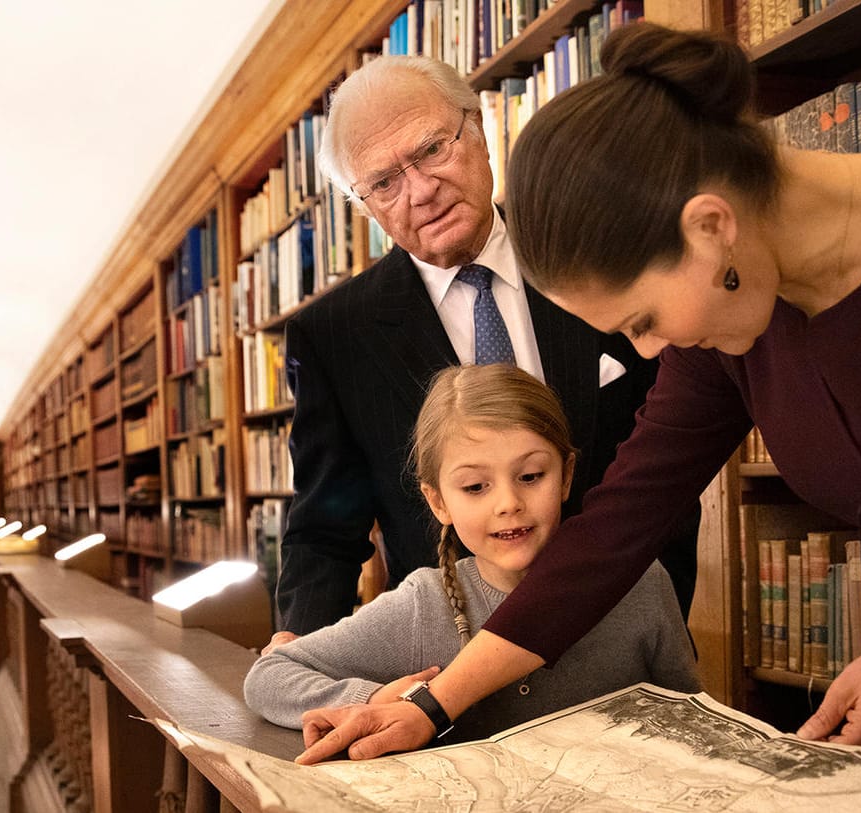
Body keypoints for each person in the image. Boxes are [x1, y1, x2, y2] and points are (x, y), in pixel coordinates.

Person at [295, 23, 861, 765]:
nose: (645, 352)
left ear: (709, 227)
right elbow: (612, 528)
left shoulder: (728, 306)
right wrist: (432, 702)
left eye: (640, 321)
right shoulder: (728, 325)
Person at [275, 54, 700, 643]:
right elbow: (326, 527)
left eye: (431, 151)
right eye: (384, 182)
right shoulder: (334, 336)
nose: (421, 191)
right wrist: (298, 648)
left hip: (620, 633)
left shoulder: (591, 250)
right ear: (363, 205)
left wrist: (655, 612)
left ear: (477, 128)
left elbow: (667, 474)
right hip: (448, 658)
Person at [245, 364, 699, 743]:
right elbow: (271, 674)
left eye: (531, 476)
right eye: (475, 486)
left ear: (566, 476)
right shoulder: (424, 604)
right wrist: (370, 700)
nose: (507, 503)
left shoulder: (641, 583)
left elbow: (690, 716)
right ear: (438, 500)